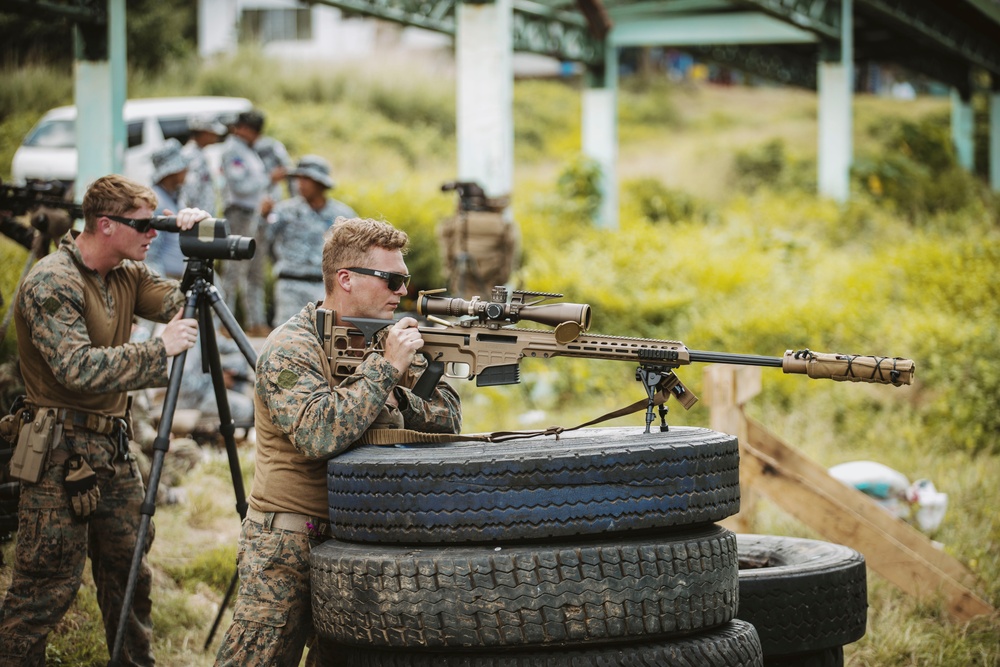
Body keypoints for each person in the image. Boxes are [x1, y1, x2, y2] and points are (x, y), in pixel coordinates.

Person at [214, 217, 463, 667]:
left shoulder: (390, 341)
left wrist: (399, 392)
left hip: (361, 539)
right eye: (392, 279)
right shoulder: (292, 345)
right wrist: (385, 370)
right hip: (289, 542)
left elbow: (449, 417)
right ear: (345, 279)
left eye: (403, 280)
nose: (401, 292)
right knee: (260, 657)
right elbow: (317, 432)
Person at [0, 174, 207, 666]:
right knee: (47, 584)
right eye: (144, 224)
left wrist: (197, 249)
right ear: (106, 224)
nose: (152, 233)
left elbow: (186, 303)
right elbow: (77, 368)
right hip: (56, 450)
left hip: (112, 448)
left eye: (157, 224)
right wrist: (158, 351)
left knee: (129, 571)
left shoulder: (126, 274)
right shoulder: (53, 280)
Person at [266, 155, 357, 326]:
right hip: (289, 286)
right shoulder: (283, 211)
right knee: (286, 340)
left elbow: (354, 252)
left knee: (326, 339)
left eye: (307, 179)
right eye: (299, 179)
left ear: (320, 183)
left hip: (324, 289)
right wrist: (262, 217)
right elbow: (263, 241)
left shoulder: (343, 215)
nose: (300, 184)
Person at [219, 109, 286, 337]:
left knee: (254, 270)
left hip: (254, 213)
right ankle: (224, 322)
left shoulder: (248, 151)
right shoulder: (232, 151)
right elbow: (240, 187)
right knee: (233, 268)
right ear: (244, 128)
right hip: (239, 213)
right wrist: (269, 179)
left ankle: (255, 322)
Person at [437, 181, 519, 299]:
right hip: (491, 286)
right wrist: (503, 278)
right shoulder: (503, 224)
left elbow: (447, 254)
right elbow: (509, 256)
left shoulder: (453, 224)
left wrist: (450, 274)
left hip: (462, 284)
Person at [146, 138, 190, 279]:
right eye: (183, 167)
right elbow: (151, 253)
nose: (186, 170)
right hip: (167, 281)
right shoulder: (156, 202)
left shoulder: (174, 196)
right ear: (173, 171)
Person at [181, 115, 227, 215]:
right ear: (204, 132)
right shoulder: (191, 156)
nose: (216, 135)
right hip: (196, 219)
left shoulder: (199, 153)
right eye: (213, 132)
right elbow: (189, 192)